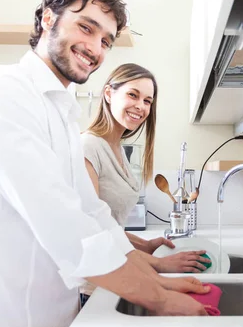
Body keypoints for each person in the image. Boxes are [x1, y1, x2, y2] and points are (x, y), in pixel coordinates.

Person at [0, 0, 208, 327]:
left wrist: (156, 279)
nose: (96, 48)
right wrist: (157, 297)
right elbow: (58, 218)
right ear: (48, 18)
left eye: (107, 41)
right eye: (86, 27)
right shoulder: (3, 93)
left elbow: (91, 212)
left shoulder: (60, 111)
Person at [79, 64, 210, 304]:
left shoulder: (117, 149)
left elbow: (110, 226)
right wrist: (158, 264)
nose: (141, 106)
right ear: (108, 94)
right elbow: (92, 231)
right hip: (95, 287)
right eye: (133, 94)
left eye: (148, 101)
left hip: (118, 276)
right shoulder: (88, 147)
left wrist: (145, 245)